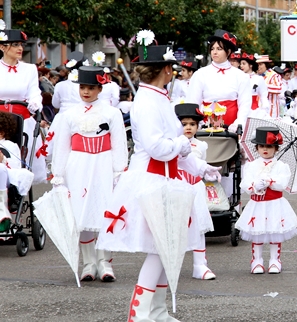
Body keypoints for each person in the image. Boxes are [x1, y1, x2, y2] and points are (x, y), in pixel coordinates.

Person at [97, 36, 221, 321]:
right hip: (152, 179)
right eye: (171, 67)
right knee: (159, 248)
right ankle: (139, 313)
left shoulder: (160, 98)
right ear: (164, 70)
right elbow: (158, 147)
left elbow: (175, 146)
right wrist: (181, 146)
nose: (174, 71)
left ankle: (158, 310)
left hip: (166, 178)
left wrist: (202, 168)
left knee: (169, 247)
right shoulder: (148, 102)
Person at [50, 66, 128, 282]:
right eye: (83, 87)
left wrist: (119, 170)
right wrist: (58, 173)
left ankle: (105, 262)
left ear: (100, 89)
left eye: (91, 88)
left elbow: (119, 143)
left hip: (102, 163)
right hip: (78, 165)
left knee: (104, 209)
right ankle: (89, 262)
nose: (86, 92)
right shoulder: (69, 115)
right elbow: (62, 145)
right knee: (81, 212)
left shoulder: (111, 113)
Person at [236, 126, 297, 274]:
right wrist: (254, 185)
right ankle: (256, 260)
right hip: (257, 203)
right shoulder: (251, 166)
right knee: (257, 231)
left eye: (270, 146)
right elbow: (245, 183)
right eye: (262, 146)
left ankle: (275, 260)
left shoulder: (281, 166)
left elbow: (283, 184)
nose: (265, 149)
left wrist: (270, 181)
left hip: (275, 203)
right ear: (257, 148)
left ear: (276, 148)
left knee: (274, 230)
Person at [174, 103, 217, 281]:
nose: (188, 127)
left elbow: (201, 164)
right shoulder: (173, 143)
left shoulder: (202, 145)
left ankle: (200, 264)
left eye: (192, 124)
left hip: (196, 187)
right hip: (177, 186)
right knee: (176, 225)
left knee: (198, 225)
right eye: (184, 124)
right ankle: (171, 264)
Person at [0, 26, 46, 183]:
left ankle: (17, 192)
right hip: (0, 121)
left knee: (21, 155)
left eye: (21, 45)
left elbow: (34, 92)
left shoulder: (29, 69)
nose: (20, 48)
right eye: (15, 45)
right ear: (2, 47)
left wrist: (35, 103)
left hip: (22, 119)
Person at [186, 30, 252, 133]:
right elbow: (193, 102)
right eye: (212, 49)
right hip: (205, 127)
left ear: (229, 51)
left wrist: (238, 123)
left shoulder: (240, 76)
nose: (214, 52)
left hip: (231, 130)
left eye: (219, 49)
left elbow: (245, 104)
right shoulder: (200, 74)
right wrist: (198, 123)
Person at [0, 112, 35, 231]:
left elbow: (16, 169)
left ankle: (3, 214)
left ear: (2, 132)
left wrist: (3, 160)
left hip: (5, 179)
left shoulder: (10, 146)